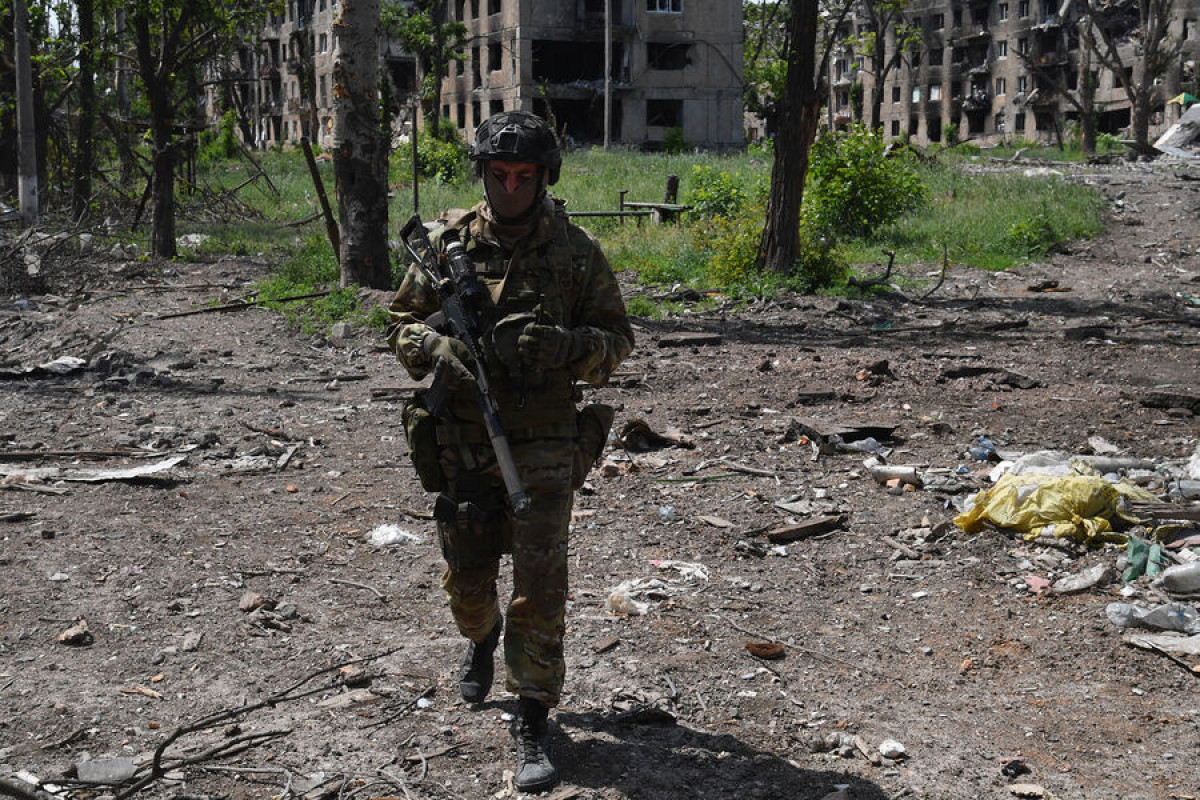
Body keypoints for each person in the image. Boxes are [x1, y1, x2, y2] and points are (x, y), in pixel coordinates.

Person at [386, 110, 634, 793]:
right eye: (500, 174)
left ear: (545, 176)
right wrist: (433, 345)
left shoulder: (576, 251)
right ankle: (480, 637)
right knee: (468, 582)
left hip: (546, 442)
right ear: (483, 174)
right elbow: (400, 322)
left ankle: (532, 716)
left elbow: (617, 340)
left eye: (526, 175)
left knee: (541, 588)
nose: (512, 188)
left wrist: (568, 348)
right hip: (465, 439)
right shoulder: (447, 244)